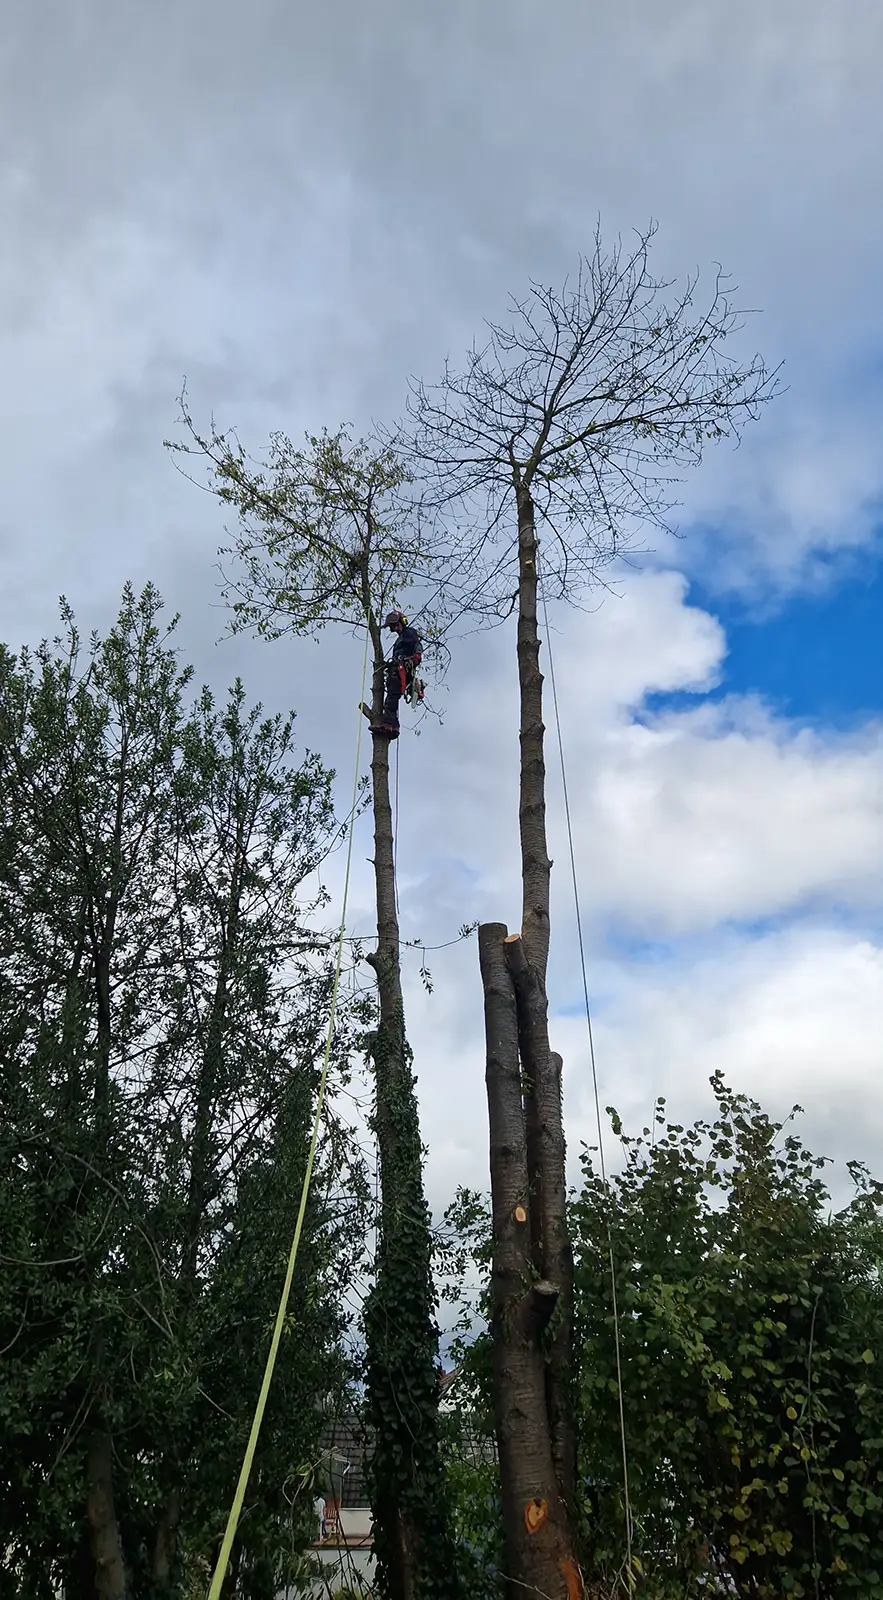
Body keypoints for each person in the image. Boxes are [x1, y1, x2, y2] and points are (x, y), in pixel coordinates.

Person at [372, 610, 422, 737]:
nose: (395, 629)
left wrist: (415, 658)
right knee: (392, 693)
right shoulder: (400, 639)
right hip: (397, 669)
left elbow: (417, 646)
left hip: (403, 669)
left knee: (392, 695)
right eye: (392, 627)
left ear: (402, 622)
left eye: (396, 625)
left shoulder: (409, 633)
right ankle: (394, 725)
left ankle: (388, 724)